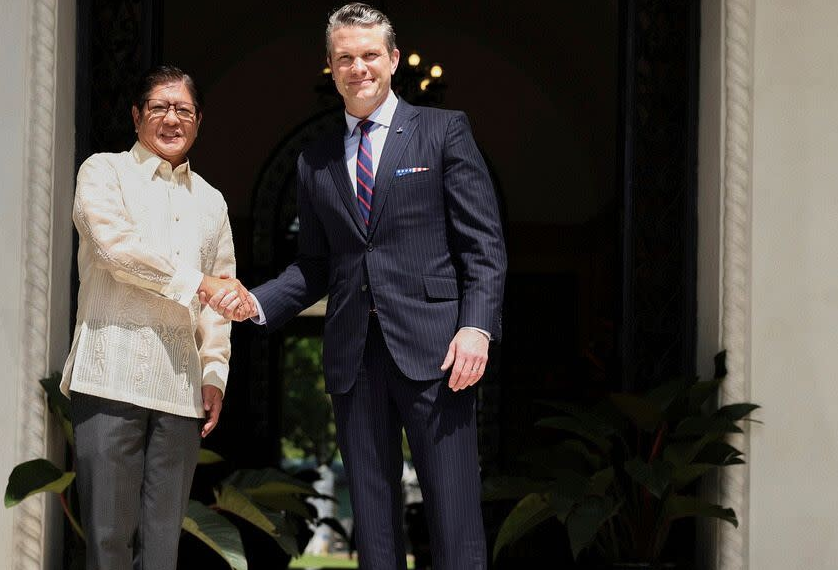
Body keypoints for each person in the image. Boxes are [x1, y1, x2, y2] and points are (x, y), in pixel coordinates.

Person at [207, 4, 506, 569]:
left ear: (393, 60)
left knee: (454, 509)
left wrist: (475, 327)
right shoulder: (314, 161)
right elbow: (314, 267)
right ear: (330, 66)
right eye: (345, 57)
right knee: (372, 516)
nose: (358, 67)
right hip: (353, 355)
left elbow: (484, 246)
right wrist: (254, 301)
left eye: (370, 55)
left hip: (439, 352)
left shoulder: (444, 132)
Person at [60, 65, 252, 570]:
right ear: (136, 115)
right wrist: (199, 284)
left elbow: (222, 294)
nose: (172, 119)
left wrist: (214, 372)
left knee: (163, 548)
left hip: (180, 389)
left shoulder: (212, 202)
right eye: (160, 108)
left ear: (199, 119)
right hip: (110, 377)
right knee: (107, 542)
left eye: (183, 109)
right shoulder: (103, 172)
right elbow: (115, 249)